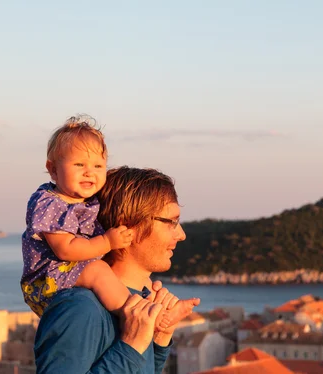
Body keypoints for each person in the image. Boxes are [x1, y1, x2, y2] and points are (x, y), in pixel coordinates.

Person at [20, 115, 197, 329]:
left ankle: (153, 316)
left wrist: (160, 339)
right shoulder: (50, 204)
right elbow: (65, 250)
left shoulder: (86, 202)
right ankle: (138, 316)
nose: (89, 172)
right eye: (79, 164)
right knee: (98, 271)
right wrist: (106, 241)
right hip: (49, 277)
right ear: (53, 169)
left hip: (70, 272)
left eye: (98, 166)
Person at [34, 166, 198, 373]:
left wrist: (159, 336)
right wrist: (131, 346)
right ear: (127, 226)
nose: (181, 235)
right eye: (171, 222)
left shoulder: (138, 304)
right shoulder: (81, 310)